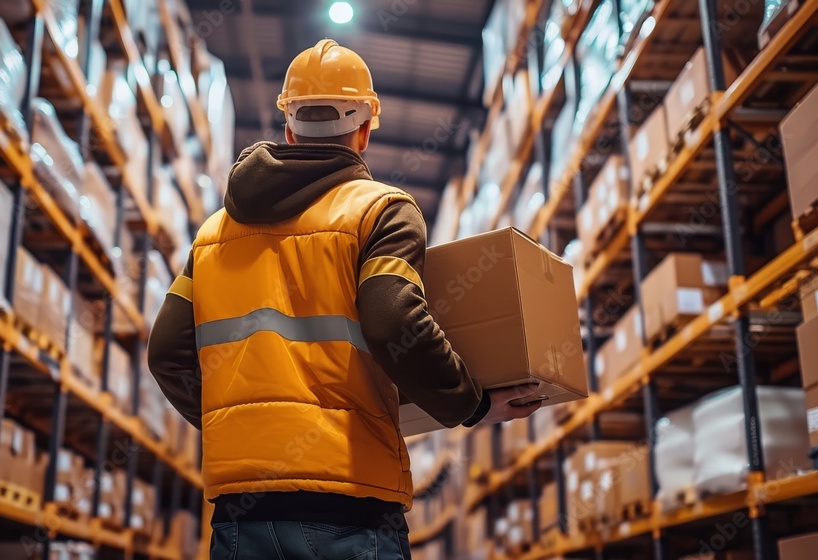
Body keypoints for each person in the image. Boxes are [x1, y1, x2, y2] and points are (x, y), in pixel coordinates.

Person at [148, 39, 542, 560]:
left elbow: (166, 353)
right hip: (349, 507)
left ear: (288, 126)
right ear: (364, 130)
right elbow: (393, 321)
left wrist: (242, 428)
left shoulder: (212, 234)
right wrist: (471, 404)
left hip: (242, 514)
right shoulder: (381, 212)